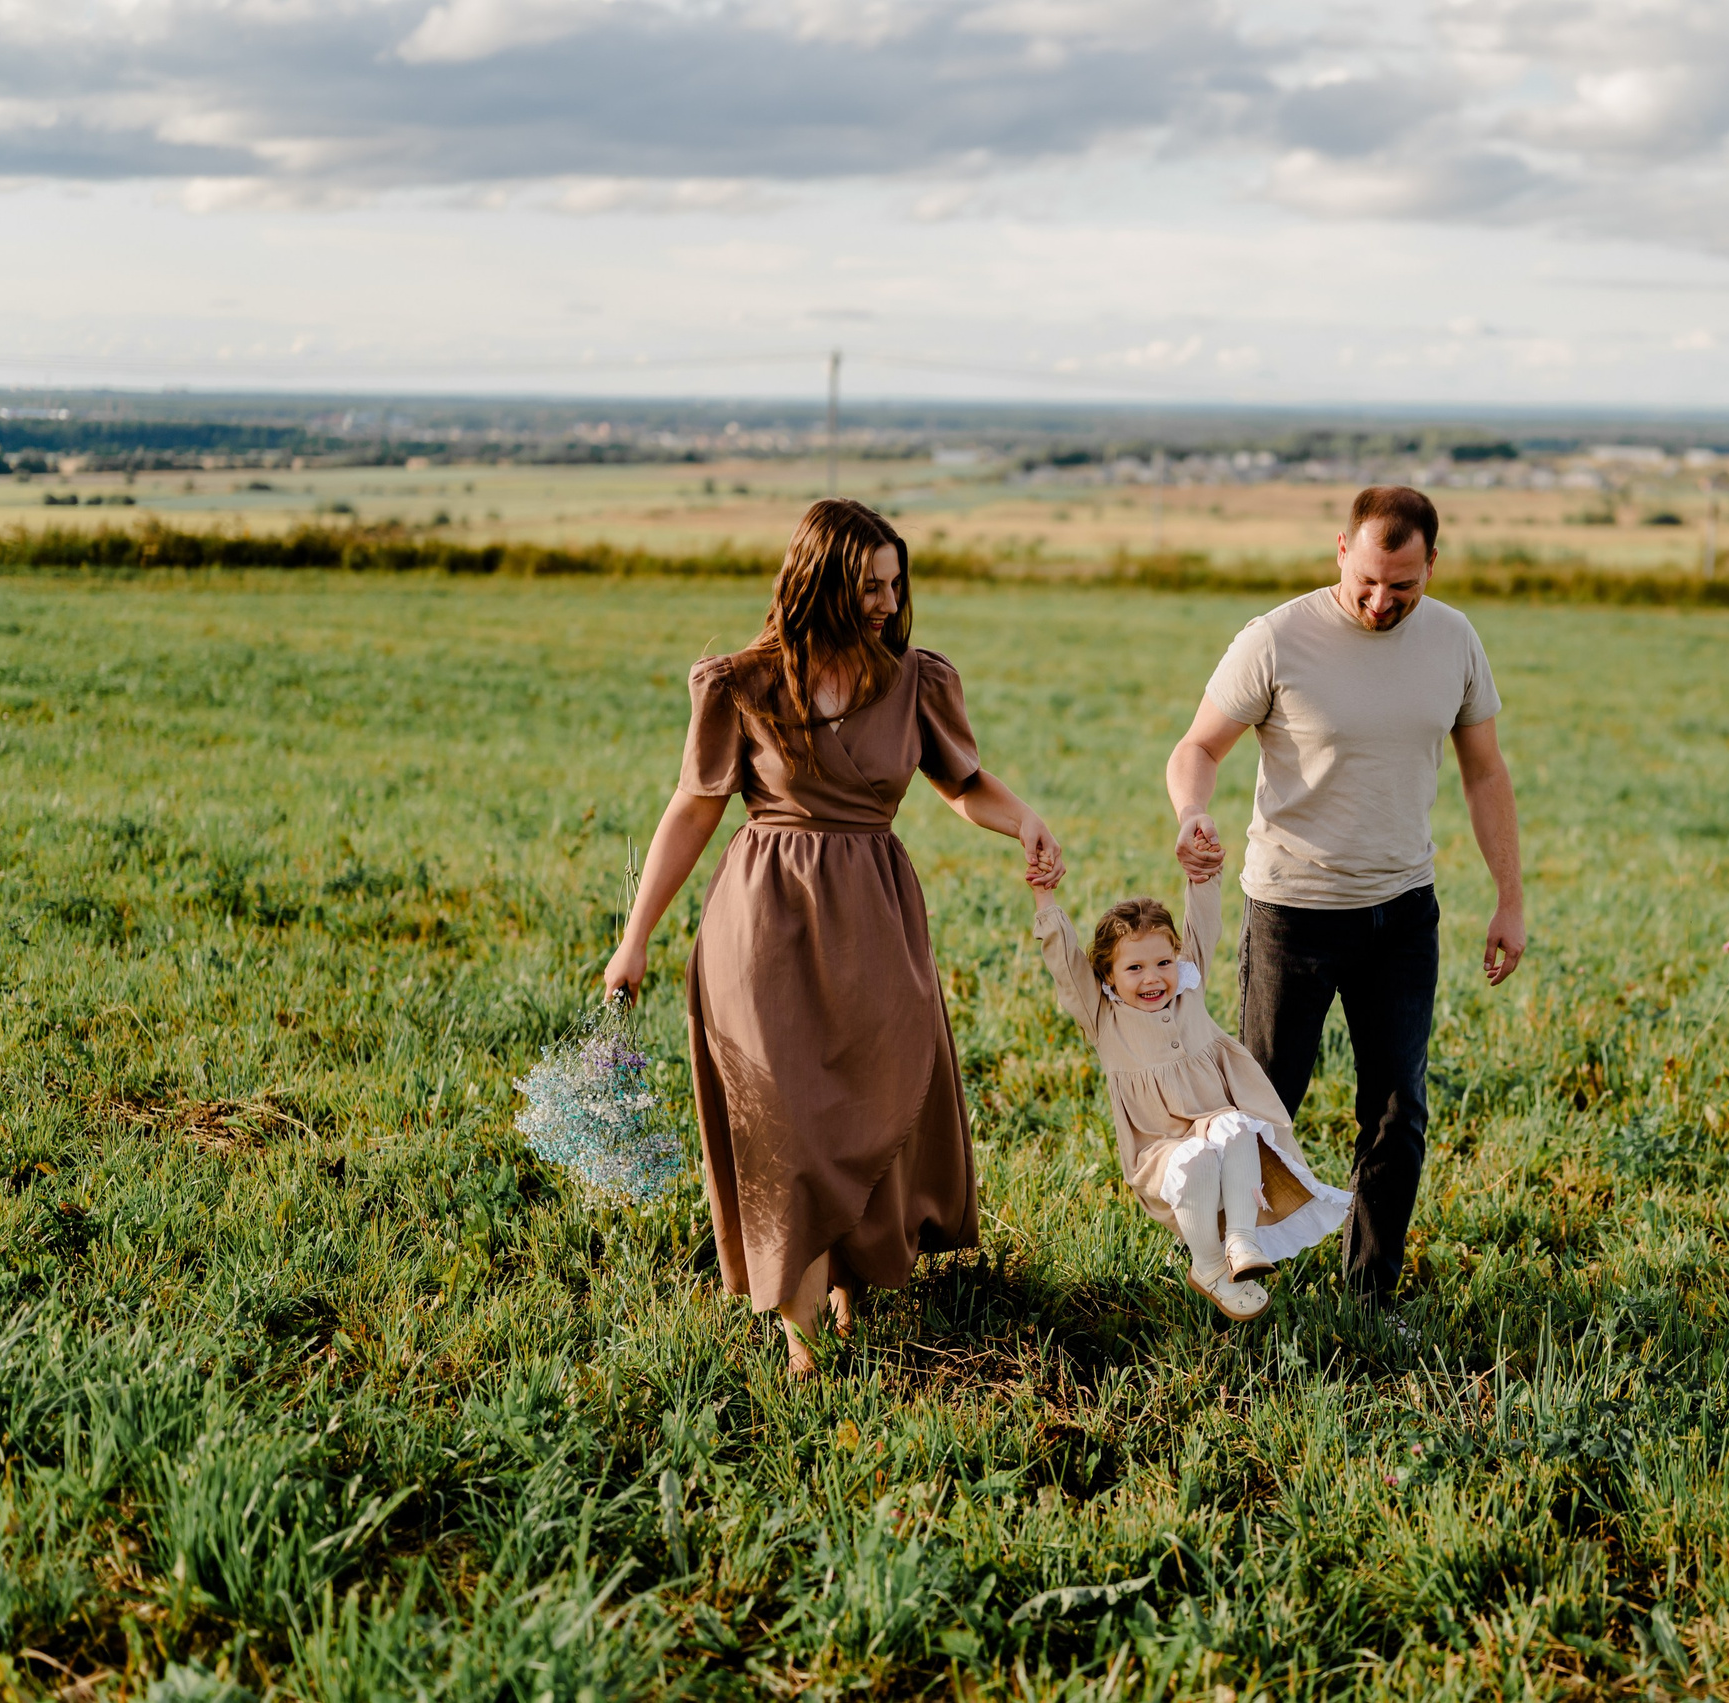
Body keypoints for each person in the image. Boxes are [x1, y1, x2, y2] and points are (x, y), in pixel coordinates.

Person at [605, 499, 1063, 1377]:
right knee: (786, 1126)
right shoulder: (741, 683)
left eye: (896, 584)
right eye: (868, 586)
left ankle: (853, 1294)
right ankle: (803, 1349)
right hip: (763, 924)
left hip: (877, 922)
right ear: (816, 582)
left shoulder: (915, 680)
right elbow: (692, 809)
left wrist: (1024, 820)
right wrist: (636, 938)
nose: (888, 603)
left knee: (875, 1103)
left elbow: (962, 782)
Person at [1166, 484, 1524, 1308]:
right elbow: (1198, 746)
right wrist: (1191, 812)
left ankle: (1370, 1297)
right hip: (1291, 911)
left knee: (1398, 1112)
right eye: (1367, 579)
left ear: (1433, 564)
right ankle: (1233, 1280)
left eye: (1403, 585)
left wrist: (1509, 895)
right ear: (1340, 549)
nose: (1380, 600)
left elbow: (1485, 772)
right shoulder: (1277, 638)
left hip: (1403, 912)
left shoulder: (1456, 640)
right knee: (1264, 1109)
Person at [1025, 868, 1352, 1320]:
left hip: (1213, 1126)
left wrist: (1204, 874)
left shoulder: (1188, 989)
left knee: (1235, 1123)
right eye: (1134, 968)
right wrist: (1045, 897)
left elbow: (1204, 924)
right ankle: (1209, 1266)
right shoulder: (1101, 1017)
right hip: (1159, 1151)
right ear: (1108, 974)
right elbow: (1064, 961)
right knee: (1195, 1159)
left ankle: (1241, 1239)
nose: (1153, 978)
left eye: (1162, 963)